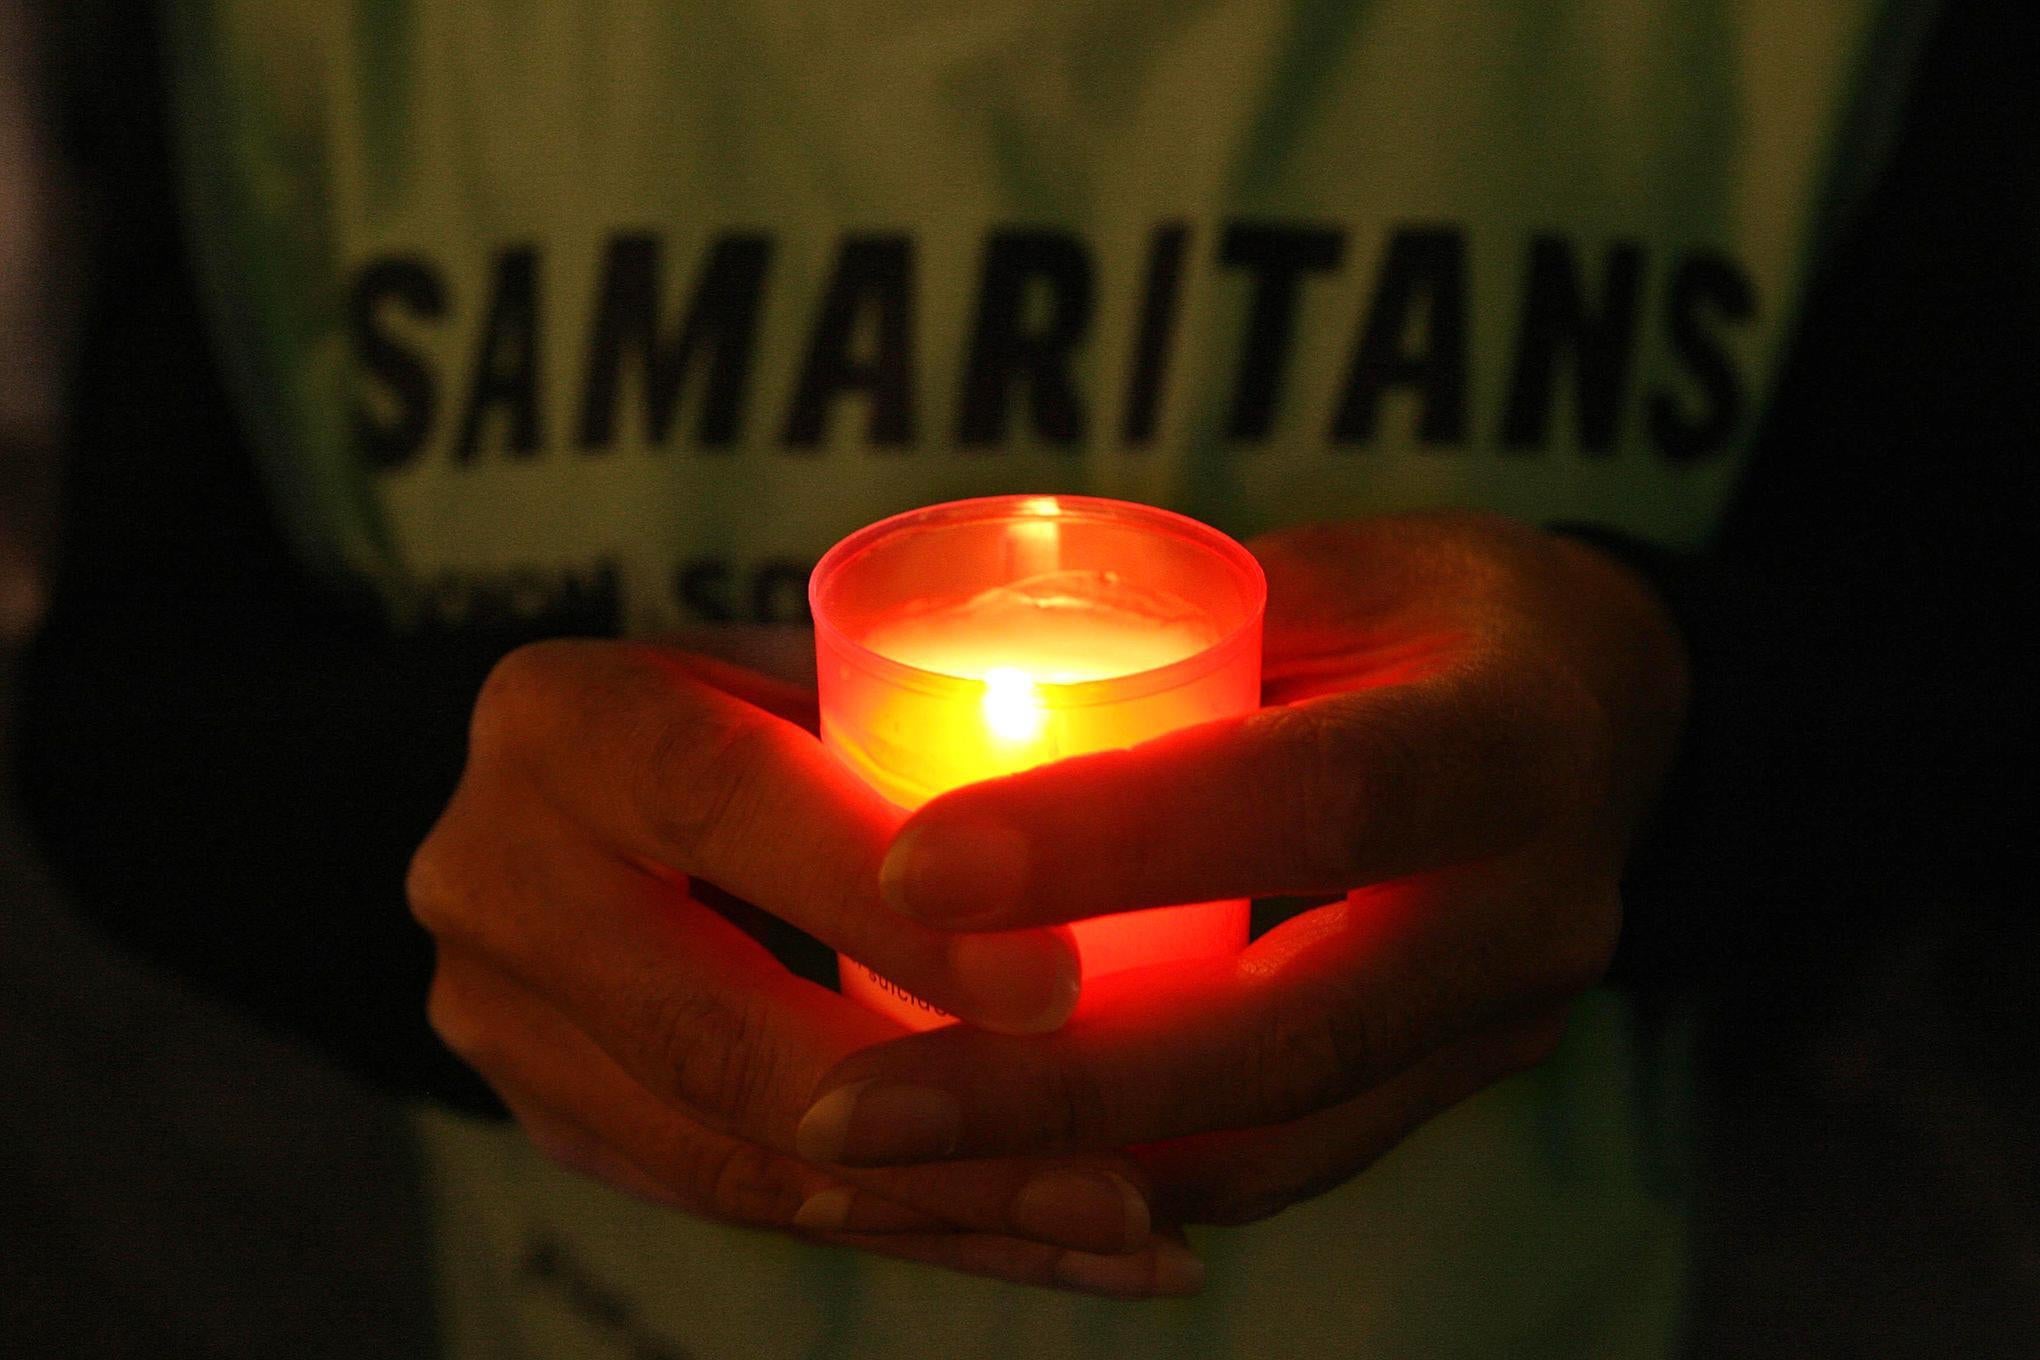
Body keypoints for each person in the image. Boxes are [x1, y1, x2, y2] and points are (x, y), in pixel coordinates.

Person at [14, 1, 2029, 1355]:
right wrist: (448, 848)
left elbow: (1953, 640)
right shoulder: (280, 39)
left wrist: (1653, 724)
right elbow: (132, 695)